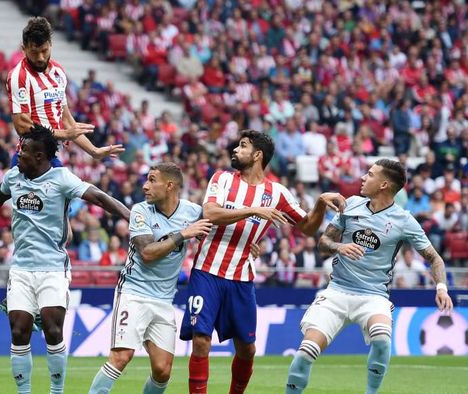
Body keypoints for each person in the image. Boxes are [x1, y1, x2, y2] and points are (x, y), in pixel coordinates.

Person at [0, 124, 130, 394]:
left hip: (53, 268)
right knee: (19, 330)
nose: (18, 155)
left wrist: (133, 217)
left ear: (40, 156)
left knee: (53, 330)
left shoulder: (62, 179)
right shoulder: (13, 177)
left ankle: (56, 391)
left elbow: (99, 198)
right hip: (21, 268)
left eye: (24, 151)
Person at [180, 130, 345, 394]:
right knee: (201, 340)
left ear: (257, 155)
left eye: (242, 146)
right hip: (207, 271)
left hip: (242, 277)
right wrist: (253, 210)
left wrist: (320, 205)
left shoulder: (277, 193)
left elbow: (308, 228)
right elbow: (210, 213)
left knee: (247, 349)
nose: (235, 149)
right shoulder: (222, 179)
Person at [285, 159, 454, 393]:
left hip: (373, 296)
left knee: (382, 338)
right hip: (337, 292)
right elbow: (323, 243)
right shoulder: (351, 205)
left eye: (370, 174)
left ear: (384, 184)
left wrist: (441, 288)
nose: (363, 177)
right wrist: (339, 247)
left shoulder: (404, 220)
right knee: (306, 352)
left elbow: (435, 258)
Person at [88, 163, 212, 393]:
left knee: (163, 370)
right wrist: (182, 234)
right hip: (133, 293)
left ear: (170, 185)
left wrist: (251, 244)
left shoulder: (192, 212)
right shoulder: (140, 211)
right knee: (121, 356)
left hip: (164, 299)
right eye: (146, 180)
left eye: (152, 180)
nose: (145, 186)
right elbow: (147, 254)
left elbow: (221, 229)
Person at [7, 16, 123, 166]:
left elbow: (67, 121)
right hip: (30, 158)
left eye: (44, 50)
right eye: (34, 52)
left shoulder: (58, 72)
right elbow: (22, 127)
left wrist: (94, 151)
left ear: (50, 44)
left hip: (49, 158)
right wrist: (64, 134)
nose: (41, 58)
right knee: (84, 190)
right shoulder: (19, 76)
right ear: (24, 49)